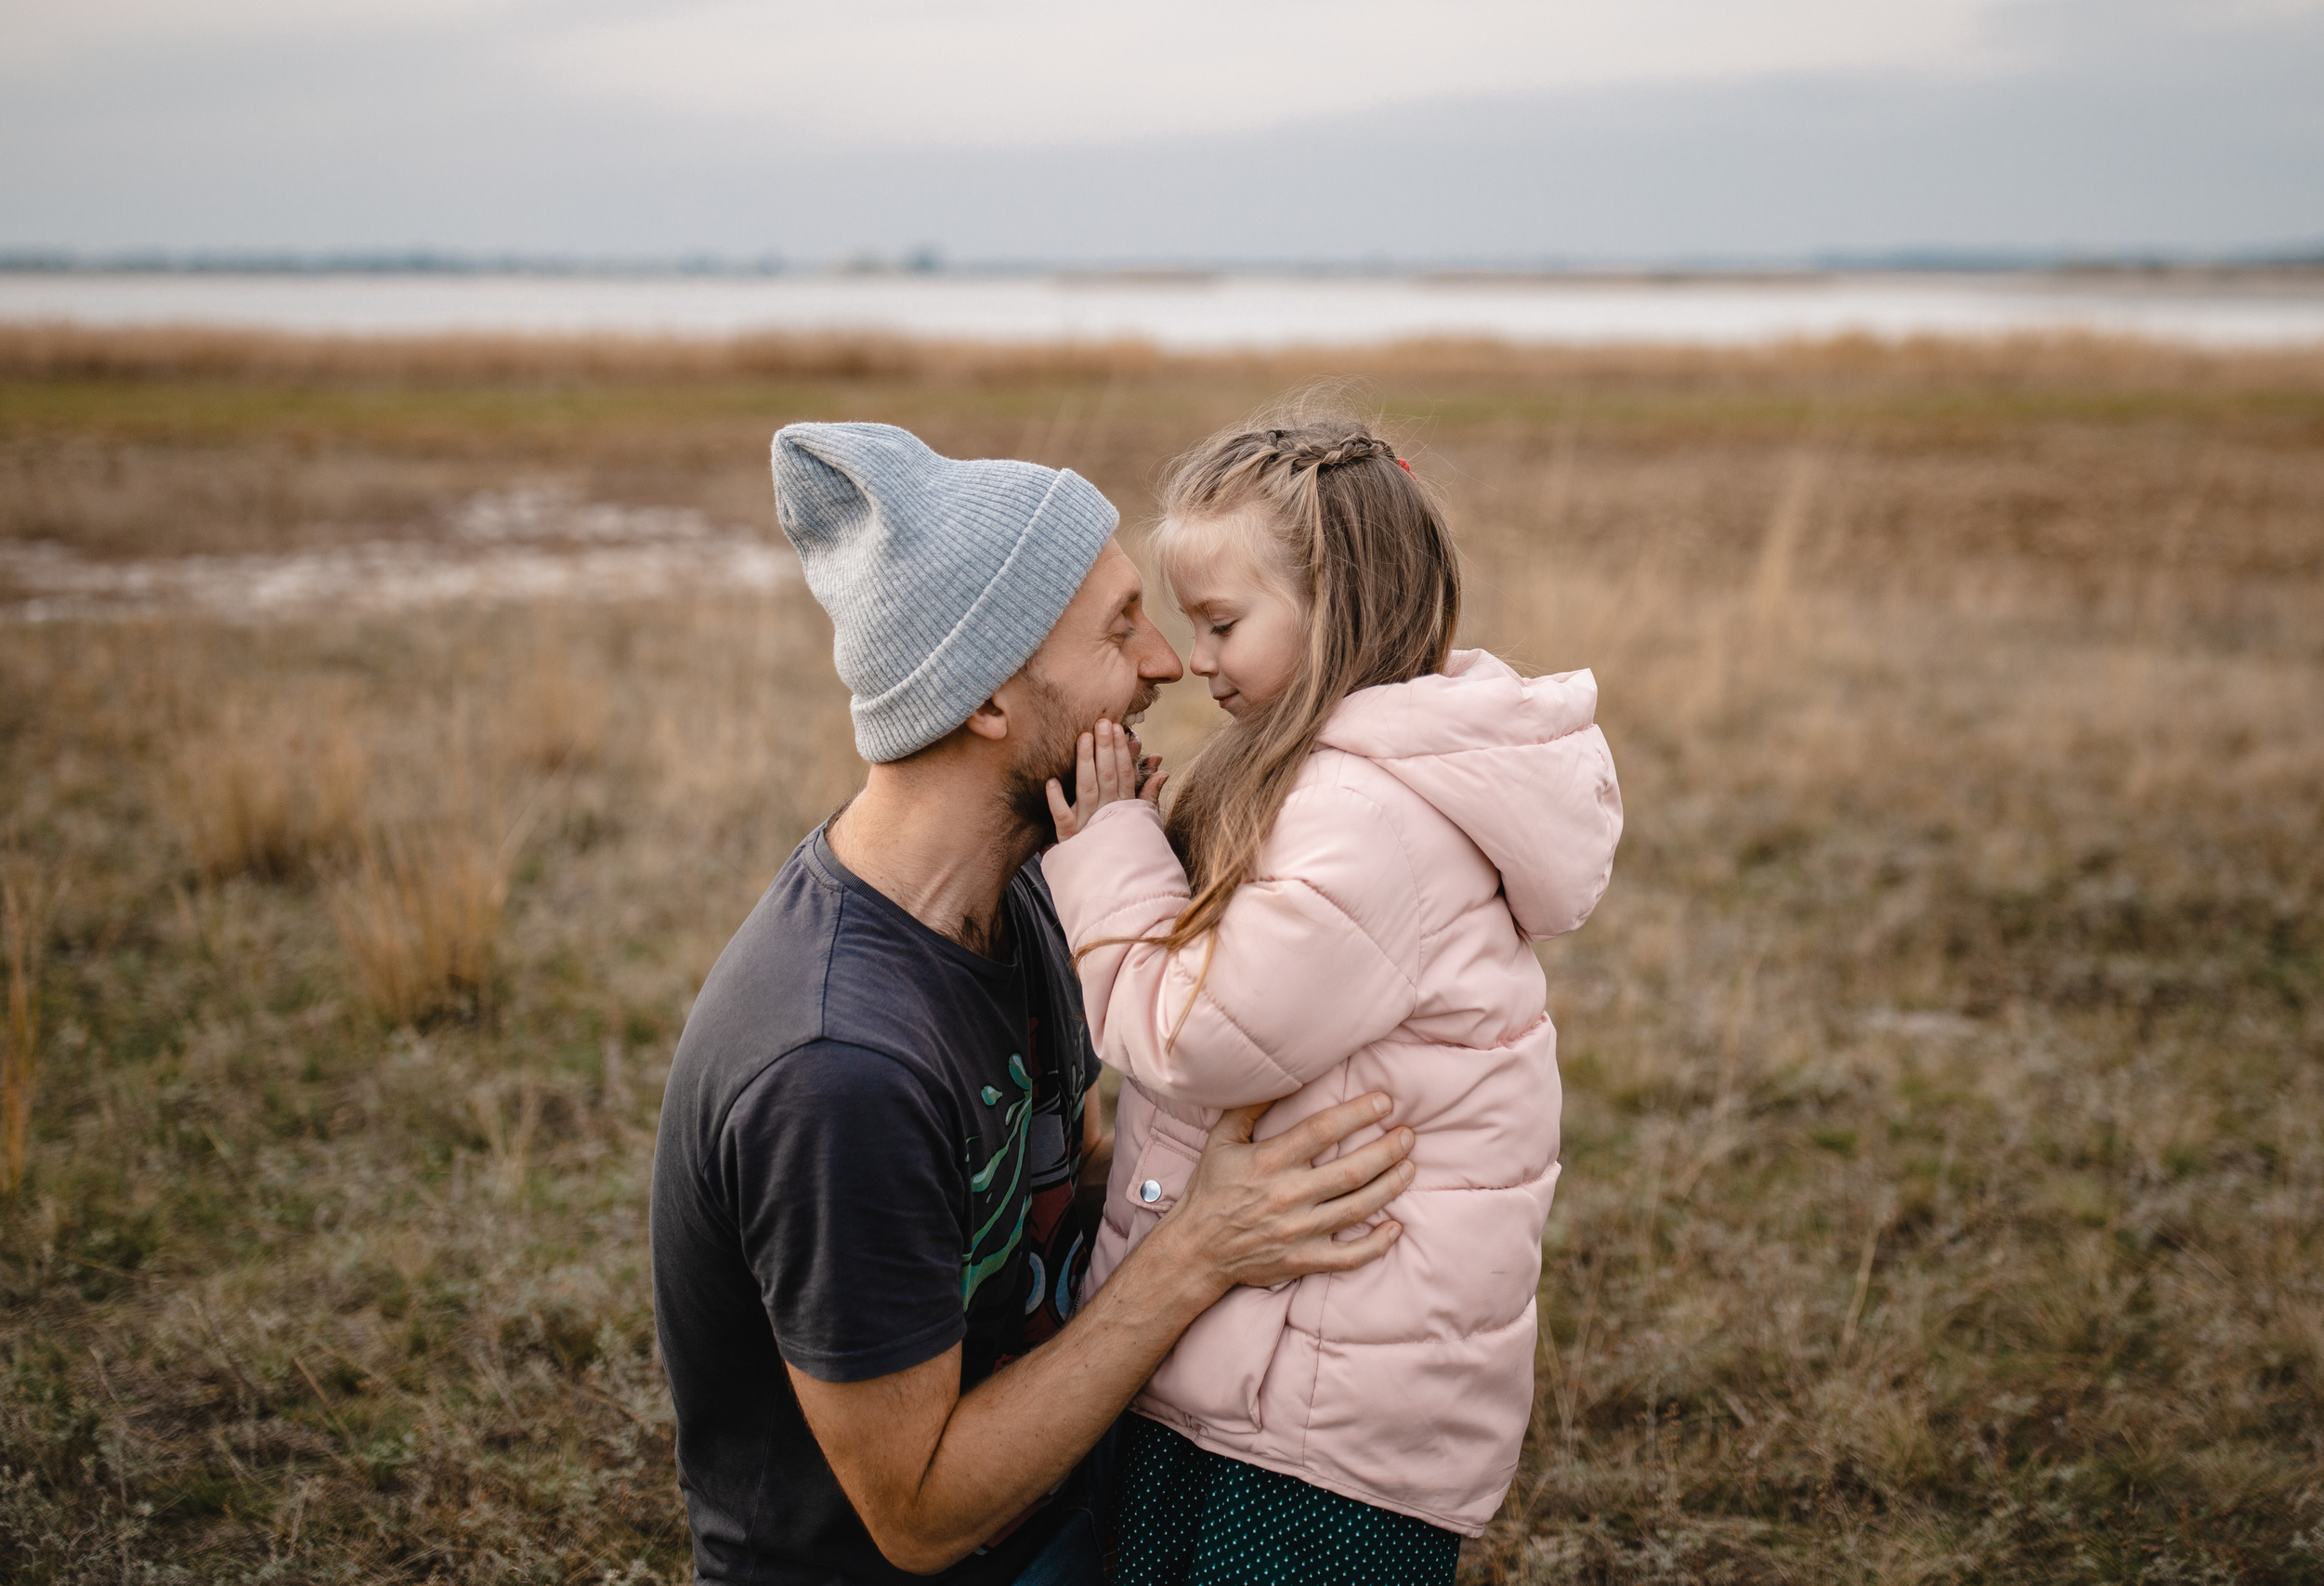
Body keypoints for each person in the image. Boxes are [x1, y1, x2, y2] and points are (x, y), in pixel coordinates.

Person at [649, 421, 1420, 1586]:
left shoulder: (1035, 900)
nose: (1166, 664)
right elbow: (917, 1516)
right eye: (1119, 629)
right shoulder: (836, 1067)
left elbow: (1067, 1172)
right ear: (990, 698)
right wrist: (1201, 1249)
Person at [1040, 411, 1625, 1582]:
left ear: (1340, 607)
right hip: (1266, 1370)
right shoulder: (1333, 784)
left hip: (1326, 1424)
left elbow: (1196, 1035)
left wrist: (1110, 849)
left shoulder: (1370, 819)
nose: (1194, 660)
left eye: (1220, 624)